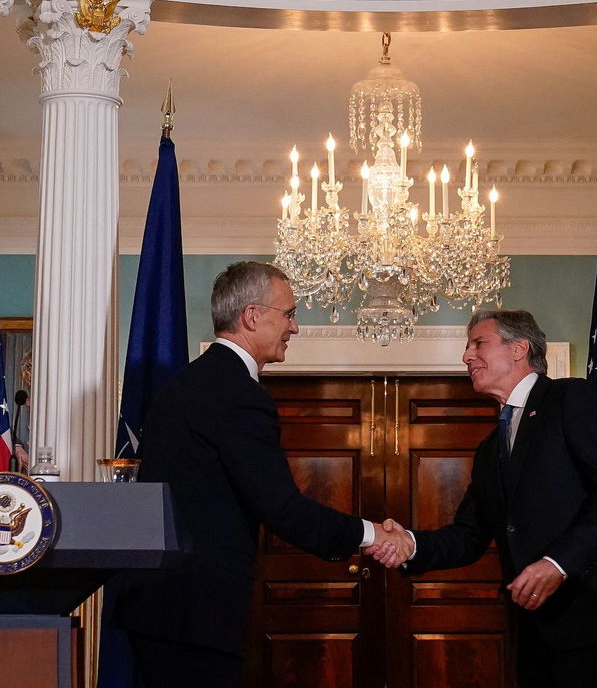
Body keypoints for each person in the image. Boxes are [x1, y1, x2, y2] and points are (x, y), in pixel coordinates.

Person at [118, 261, 412, 687]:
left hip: (163, 606)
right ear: (252, 316)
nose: (295, 328)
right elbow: (282, 507)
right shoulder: (238, 393)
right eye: (289, 314)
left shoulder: (187, 382)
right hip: (196, 613)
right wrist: (373, 536)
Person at [370, 309, 597, 688]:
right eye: (468, 346)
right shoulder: (491, 447)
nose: (466, 356)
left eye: (478, 343)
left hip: (591, 615)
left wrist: (557, 564)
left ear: (519, 348)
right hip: (531, 624)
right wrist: (409, 544)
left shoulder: (570, 398)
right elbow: (469, 536)